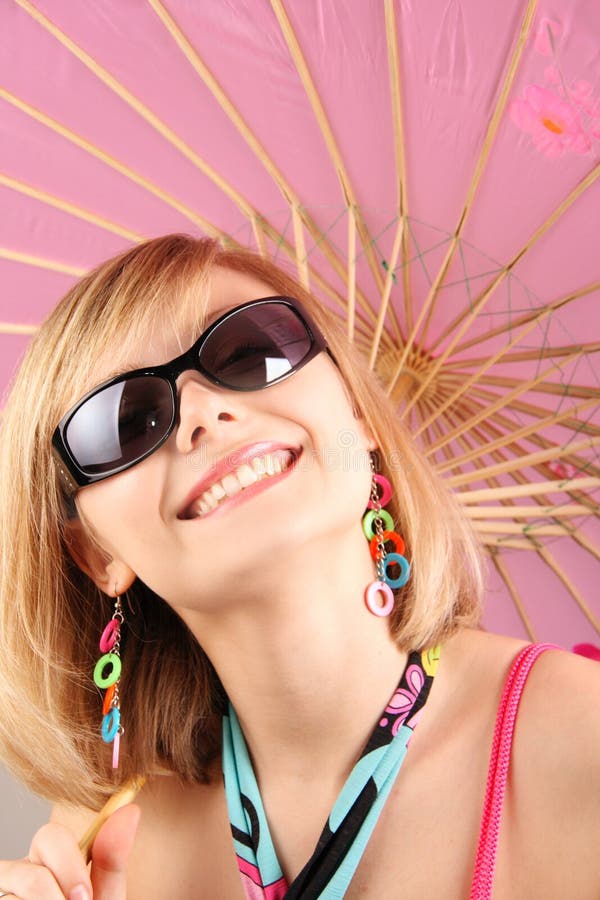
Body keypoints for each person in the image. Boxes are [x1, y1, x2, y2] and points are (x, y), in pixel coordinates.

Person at [0, 234, 598, 900]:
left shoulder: (583, 743)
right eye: (127, 421)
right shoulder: (103, 838)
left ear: (358, 411)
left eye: (250, 351)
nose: (202, 410)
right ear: (98, 555)